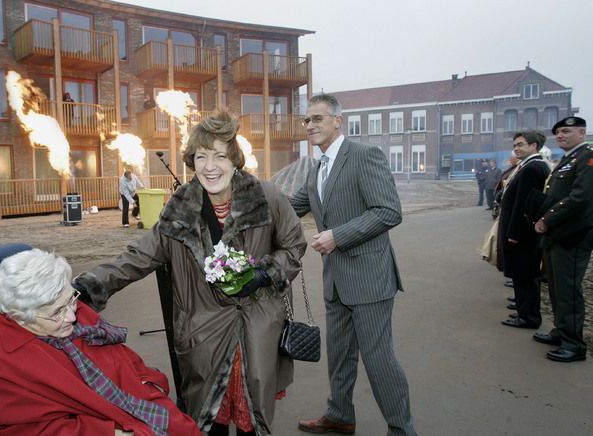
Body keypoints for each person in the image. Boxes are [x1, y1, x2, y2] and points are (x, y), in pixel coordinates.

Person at [73, 112, 307, 435]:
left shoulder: (267, 198)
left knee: (254, 423)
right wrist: (94, 283)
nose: (210, 167)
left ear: (234, 159)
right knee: (210, 425)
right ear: (192, 161)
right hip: (204, 335)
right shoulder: (180, 209)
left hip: (256, 331)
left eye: (219, 156)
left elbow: (294, 247)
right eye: (201, 157)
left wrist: (262, 275)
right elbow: (140, 254)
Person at [0, 249, 200, 435]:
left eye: (71, 299)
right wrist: (115, 433)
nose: (72, 316)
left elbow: (120, 355)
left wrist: (151, 382)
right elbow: (33, 430)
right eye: (57, 312)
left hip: (135, 404)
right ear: (18, 316)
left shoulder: (67, 313)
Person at [290, 94, 416, 436]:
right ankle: (340, 415)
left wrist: (337, 236)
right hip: (336, 281)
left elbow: (389, 211)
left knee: (378, 359)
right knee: (340, 353)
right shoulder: (318, 168)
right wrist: (242, 198)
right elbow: (290, 206)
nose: (311, 125)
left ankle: (402, 429)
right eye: (307, 120)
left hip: (370, 280)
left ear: (337, 121)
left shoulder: (364, 156)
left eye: (318, 118)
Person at [533, 116, 593, 362]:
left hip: (573, 235)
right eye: (557, 132)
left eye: (566, 131)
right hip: (557, 234)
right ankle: (561, 330)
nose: (560, 136)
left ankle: (574, 344)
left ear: (582, 132)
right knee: (557, 288)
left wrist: (547, 218)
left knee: (568, 289)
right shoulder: (568, 159)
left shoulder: (587, 158)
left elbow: (580, 197)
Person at [499, 130, 550, 329]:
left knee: (525, 273)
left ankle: (528, 317)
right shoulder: (529, 165)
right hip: (525, 231)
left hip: (523, 233)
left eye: (520, 144)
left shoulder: (532, 168)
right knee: (522, 274)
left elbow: (523, 204)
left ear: (534, 146)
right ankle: (523, 308)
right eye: (515, 145)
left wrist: (513, 232)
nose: (516, 148)